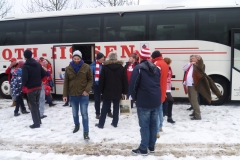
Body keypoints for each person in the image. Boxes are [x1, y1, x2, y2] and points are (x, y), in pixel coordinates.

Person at [129, 46, 161, 155]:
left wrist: (135, 98)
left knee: (145, 126)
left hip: (144, 101)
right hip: (156, 100)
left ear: (140, 57)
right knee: (153, 124)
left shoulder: (138, 68)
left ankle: (143, 148)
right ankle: (151, 146)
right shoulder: (156, 69)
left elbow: (133, 86)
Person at [63, 50, 93, 140]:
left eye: (78, 58)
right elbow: (66, 82)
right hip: (73, 95)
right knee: (75, 113)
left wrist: (87, 90)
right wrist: (65, 95)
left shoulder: (86, 67)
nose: (76, 60)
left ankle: (86, 132)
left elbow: (90, 80)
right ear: (72, 58)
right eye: (75, 58)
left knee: (84, 114)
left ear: (81, 58)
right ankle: (76, 125)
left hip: (83, 95)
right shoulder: (68, 68)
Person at [183, 55, 221, 120]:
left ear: (197, 59)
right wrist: (190, 63)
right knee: (191, 99)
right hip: (189, 84)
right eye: (190, 58)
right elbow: (184, 68)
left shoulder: (200, 65)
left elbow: (200, 66)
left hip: (194, 85)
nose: (191, 59)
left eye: (193, 58)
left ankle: (198, 116)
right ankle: (194, 112)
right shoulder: (190, 65)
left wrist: (200, 60)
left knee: (194, 100)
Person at [95, 52, 128, 128]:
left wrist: (101, 90)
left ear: (109, 58)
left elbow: (101, 81)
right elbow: (124, 81)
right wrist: (124, 91)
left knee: (104, 108)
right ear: (116, 58)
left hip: (107, 91)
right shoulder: (121, 68)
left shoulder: (105, 67)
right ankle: (115, 123)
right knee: (116, 107)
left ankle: (101, 124)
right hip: (118, 91)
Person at [22, 50, 46, 128]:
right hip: (39, 87)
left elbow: (24, 78)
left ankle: (36, 123)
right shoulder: (37, 64)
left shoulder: (25, 66)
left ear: (25, 56)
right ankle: (39, 120)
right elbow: (44, 73)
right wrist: (39, 80)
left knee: (33, 106)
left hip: (31, 89)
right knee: (37, 104)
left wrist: (23, 85)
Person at [90, 51, 112, 119]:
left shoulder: (105, 65)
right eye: (102, 58)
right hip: (96, 85)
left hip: (105, 85)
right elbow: (90, 76)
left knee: (107, 98)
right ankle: (97, 113)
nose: (104, 59)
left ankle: (109, 112)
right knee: (97, 99)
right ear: (99, 58)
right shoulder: (92, 66)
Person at [151, 50, 169, 137]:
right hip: (162, 89)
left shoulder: (157, 63)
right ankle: (161, 126)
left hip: (157, 89)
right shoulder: (164, 63)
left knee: (157, 111)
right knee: (160, 110)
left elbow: (154, 77)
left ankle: (157, 130)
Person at [163, 57, 175, 123]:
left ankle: (167, 115)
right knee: (170, 100)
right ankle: (168, 116)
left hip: (168, 86)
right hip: (165, 86)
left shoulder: (169, 68)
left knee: (167, 101)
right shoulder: (166, 68)